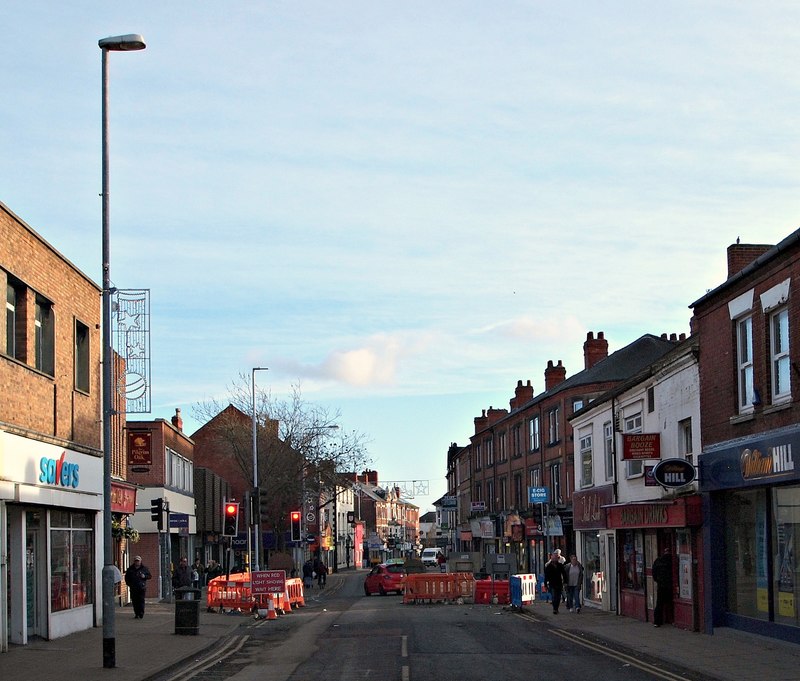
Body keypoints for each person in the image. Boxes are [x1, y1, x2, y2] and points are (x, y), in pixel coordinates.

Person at [652, 547, 674, 627]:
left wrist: (658, 580)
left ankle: (657, 622)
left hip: (661, 585)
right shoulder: (672, 560)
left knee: (659, 603)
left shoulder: (658, 560)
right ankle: (672, 620)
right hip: (670, 585)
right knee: (671, 602)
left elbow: (654, 573)